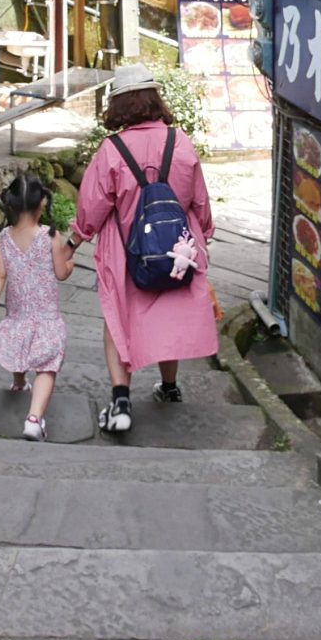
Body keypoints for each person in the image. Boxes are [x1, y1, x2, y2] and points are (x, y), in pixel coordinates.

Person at [69, 64, 216, 434]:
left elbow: (92, 206)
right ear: (154, 99)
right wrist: (205, 233)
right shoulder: (179, 141)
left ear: (118, 105)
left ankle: (121, 401)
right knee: (167, 313)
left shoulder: (111, 149)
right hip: (176, 246)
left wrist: (73, 242)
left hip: (126, 249)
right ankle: (169, 387)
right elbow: (198, 198)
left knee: (118, 317)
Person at [0, 171, 73, 440]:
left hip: (18, 311)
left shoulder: (4, 238)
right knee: (47, 366)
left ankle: (19, 382)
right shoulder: (50, 236)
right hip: (46, 316)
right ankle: (34, 419)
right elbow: (61, 273)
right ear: (41, 203)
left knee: (20, 344)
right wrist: (70, 261)